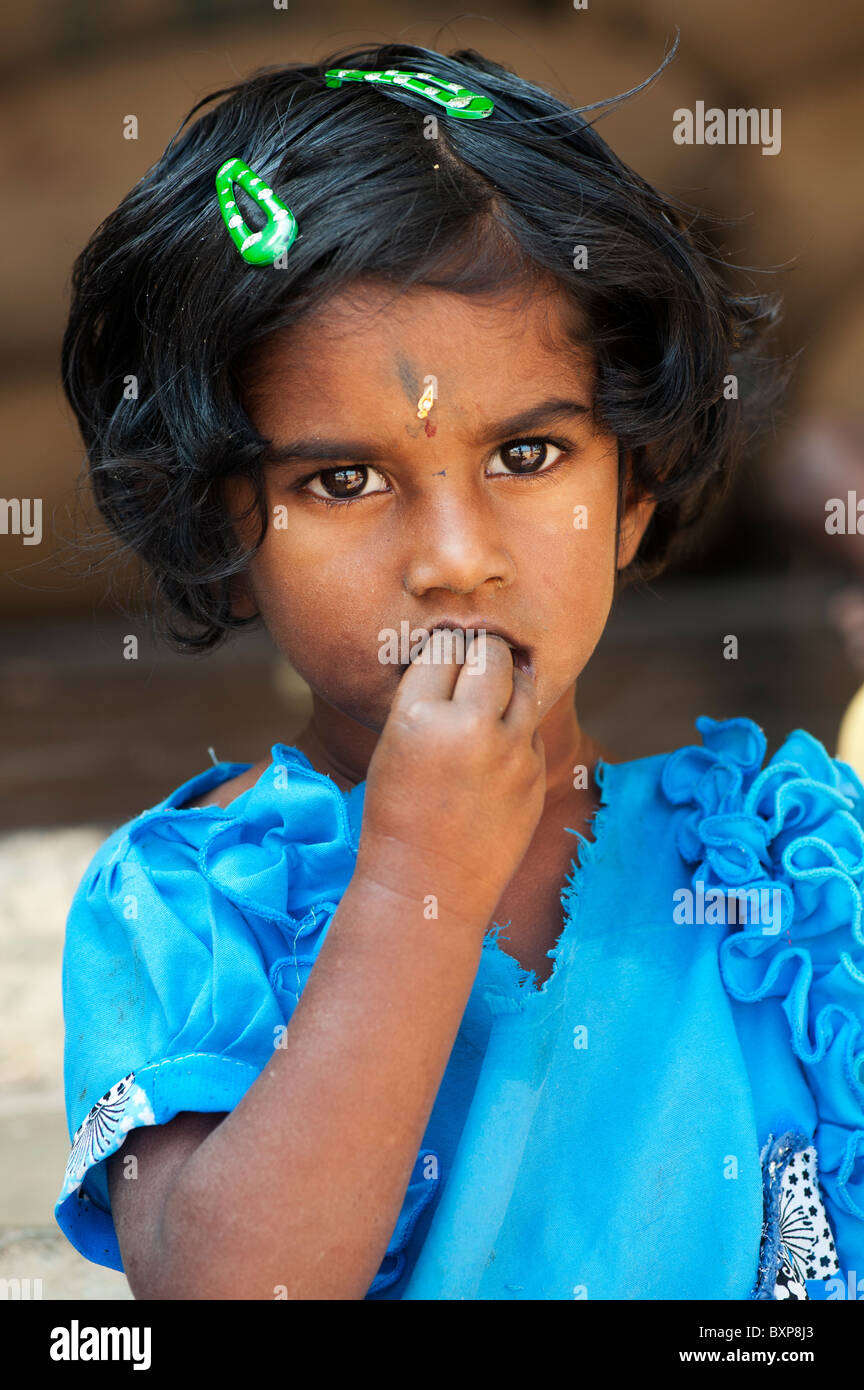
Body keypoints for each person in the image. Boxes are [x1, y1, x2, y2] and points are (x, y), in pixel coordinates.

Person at [54, 41, 864, 1300]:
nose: (455, 559)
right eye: (343, 479)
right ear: (222, 536)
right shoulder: (195, 904)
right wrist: (411, 888)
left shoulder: (783, 862)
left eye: (529, 457)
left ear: (633, 489)